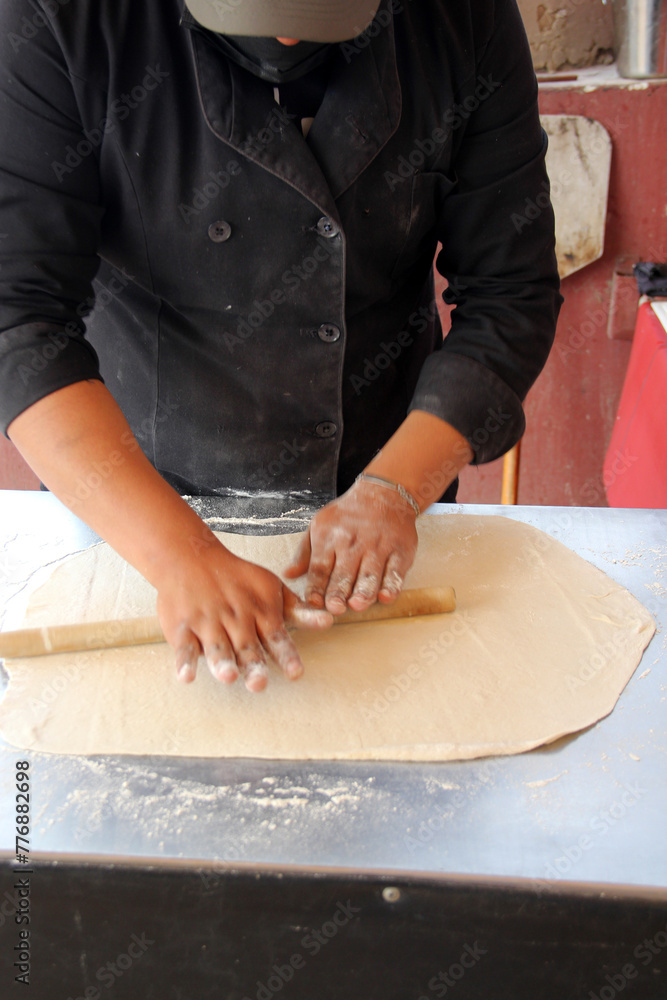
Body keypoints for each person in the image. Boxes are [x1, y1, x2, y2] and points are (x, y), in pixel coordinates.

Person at [0, 0, 561, 691]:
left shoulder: (460, 18)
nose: (290, 35)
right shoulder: (61, 18)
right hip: (139, 492)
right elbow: (19, 319)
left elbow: (510, 294)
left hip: (385, 484)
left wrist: (394, 489)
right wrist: (179, 555)